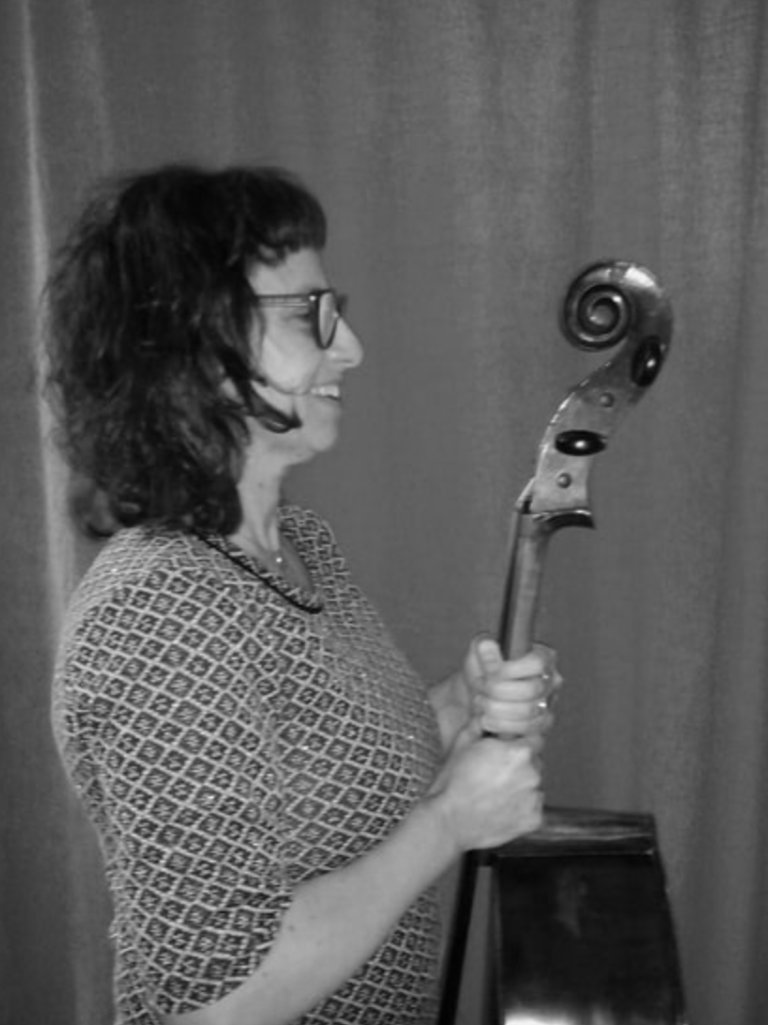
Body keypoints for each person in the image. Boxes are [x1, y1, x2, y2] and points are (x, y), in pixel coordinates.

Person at [47, 165, 562, 1025]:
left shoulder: (297, 547)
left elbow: (316, 782)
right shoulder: (159, 611)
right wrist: (448, 822)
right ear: (190, 343)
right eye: (308, 313)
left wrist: (452, 714)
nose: (349, 345)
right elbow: (208, 1006)